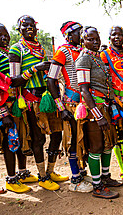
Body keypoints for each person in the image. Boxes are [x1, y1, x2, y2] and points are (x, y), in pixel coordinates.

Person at [9, 15, 68, 191]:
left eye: (32, 25)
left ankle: (51, 171)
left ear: (36, 28)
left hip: (47, 97)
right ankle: (42, 177)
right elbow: (13, 80)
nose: (29, 28)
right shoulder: (16, 49)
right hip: (30, 100)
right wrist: (36, 68)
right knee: (38, 138)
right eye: (24, 25)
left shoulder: (40, 47)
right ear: (19, 28)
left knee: (57, 133)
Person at [0, 22, 39, 193]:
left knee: (18, 136)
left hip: (14, 103)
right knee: (8, 140)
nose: (4, 37)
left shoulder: (4, 52)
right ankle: (11, 179)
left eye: (6, 34)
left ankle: (22, 173)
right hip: (2, 105)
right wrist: (2, 112)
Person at [47, 21, 92, 193]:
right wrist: (61, 107)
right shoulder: (62, 52)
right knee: (74, 139)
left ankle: (81, 171)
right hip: (72, 104)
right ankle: (75, 179)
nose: (81, 35)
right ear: (68, 35)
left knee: (84, 139)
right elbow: (51, 79)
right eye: (78, 32)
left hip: (85, 102)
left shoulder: (83, 51)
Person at [75, 26, 121, 199]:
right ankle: (97, 186)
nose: (95, 42)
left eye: (97, 39)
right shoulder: (84, 59)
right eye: (90, 39)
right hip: (94, 108)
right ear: (83, 41)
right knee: (96, 147)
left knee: (108, 144)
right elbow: (84, 91)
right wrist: (98, 115)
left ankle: (106, 177)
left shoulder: (97, 58)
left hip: (105, 106)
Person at [100, 26, 123, 185]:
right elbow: (103, 77)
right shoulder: (104, 55)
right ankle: (122, 170)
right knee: (118, 135)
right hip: (115, 101)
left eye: (120, 35)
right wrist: (112, 98)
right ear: (109, 37)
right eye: (114, 35)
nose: (117, 37)